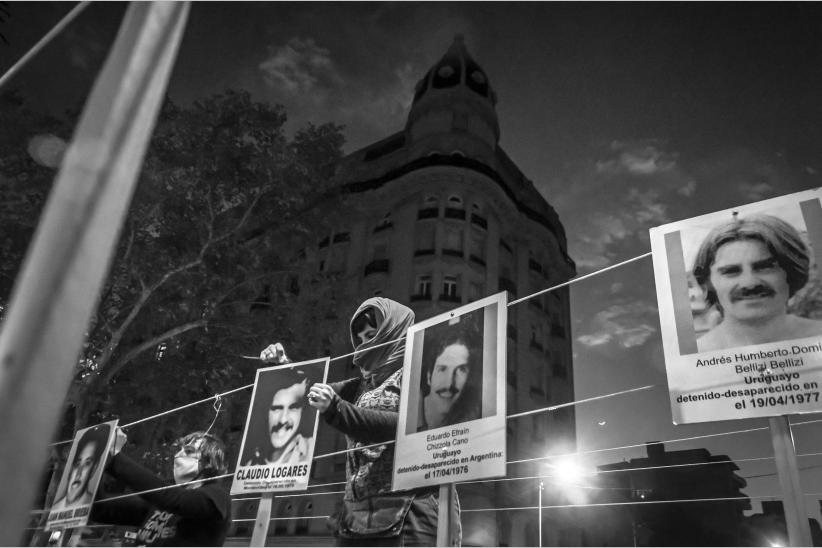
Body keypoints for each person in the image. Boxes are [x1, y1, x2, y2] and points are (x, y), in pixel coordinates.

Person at [260, 297, 461, 546]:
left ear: (395, 330)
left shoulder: (421, 374)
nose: (366, 344)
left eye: (373, 334)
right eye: (362, 338)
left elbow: (404, 426)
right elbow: (309, 391)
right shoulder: (360, 386)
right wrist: (283, 364)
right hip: (356, 519)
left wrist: (338, 410)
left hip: (411, 516)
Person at [692, 213, 822, 351]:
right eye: (731, 271)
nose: (749, 283)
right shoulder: (698, 357)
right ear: (708, 282)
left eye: (765, 267)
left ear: (792, 273)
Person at [90, 429, 231, 546]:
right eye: (179, 450)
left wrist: (116, 458)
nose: (178, 455)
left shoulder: (217, 496)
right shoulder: (158, 503)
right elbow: (99, 509)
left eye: (188, 451)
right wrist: (94, 465)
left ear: (209, 463)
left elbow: (172, 499)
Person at [418, 323, 482, 432]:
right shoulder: (412, 418)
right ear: (429, 376)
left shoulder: (476, 418)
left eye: (461, 370)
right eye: (442, 369)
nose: (449, 384)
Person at [243, 367, 313, 465]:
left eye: (293, 408)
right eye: (276, 408)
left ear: (302, 411)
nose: (283, 419)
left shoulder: (312, 450)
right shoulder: (249, 464)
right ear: (265, 411)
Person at [51, 424, 110, 511]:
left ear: (94, 468)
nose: (79, 472)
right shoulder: (56, 508)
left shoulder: (96, 508)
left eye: (87, 463)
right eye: (77, 464)